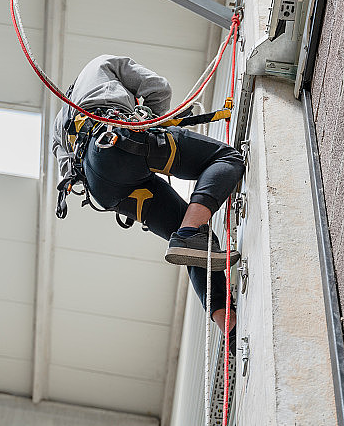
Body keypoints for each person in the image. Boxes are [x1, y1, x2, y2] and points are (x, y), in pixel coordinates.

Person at [52, 55, 244, 345]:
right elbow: (160, 89)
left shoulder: (60, 124)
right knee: (225, 157)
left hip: (106, 189)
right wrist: (149, 121)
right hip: (118, 141)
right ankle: (190, 232)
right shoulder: (102, 65)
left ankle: (226, 324)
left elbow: (67, 172)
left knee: (191, 246)